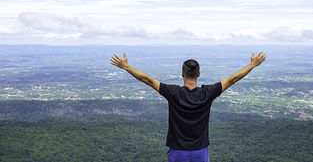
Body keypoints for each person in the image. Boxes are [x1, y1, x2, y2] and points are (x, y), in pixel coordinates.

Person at [110, 51, 267, 162]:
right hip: (200, 151)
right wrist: (252, 64)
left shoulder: (173, 93)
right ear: (199, 74)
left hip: (178, 151)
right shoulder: (208, 92)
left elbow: (147, 80)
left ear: (182, 73)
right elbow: (232, 79)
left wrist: (126, 67)